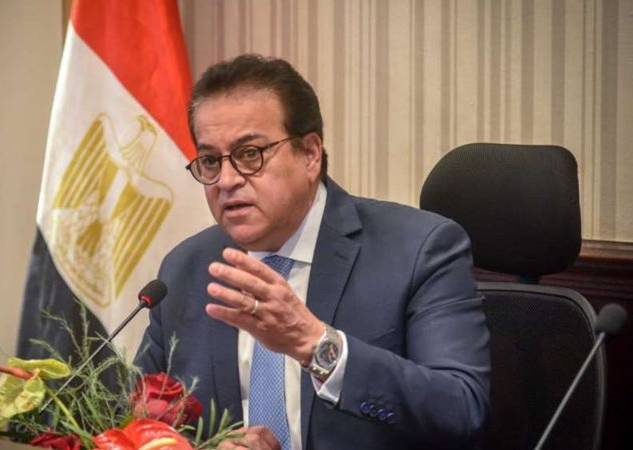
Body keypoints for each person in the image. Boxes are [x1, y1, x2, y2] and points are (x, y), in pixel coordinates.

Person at [136, 54, 490, 450]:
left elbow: (462, 409)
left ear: (310, 154)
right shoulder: (184, 270)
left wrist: (317, 345)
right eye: (209, 160)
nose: (227, 180)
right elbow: (134, 423)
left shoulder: (418, 251)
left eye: (250, 154)